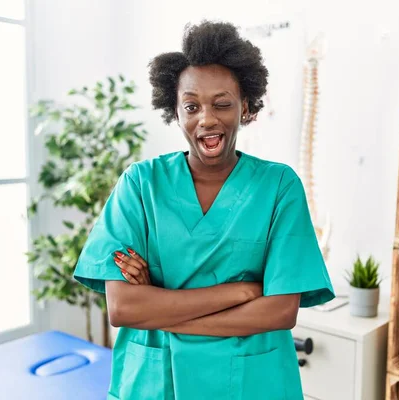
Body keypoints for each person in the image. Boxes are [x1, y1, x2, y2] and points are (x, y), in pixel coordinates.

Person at [73, 20, 335, 400]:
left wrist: (161, 309)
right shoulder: (140, 184)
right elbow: (125, 307)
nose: (207, 119)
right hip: (156, 381)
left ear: (246, 107)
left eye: (222, 104)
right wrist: (240, 293)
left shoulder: (279, 187)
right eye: (191, 105)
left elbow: (279, 312)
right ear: (175, 111)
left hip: (250, 384)